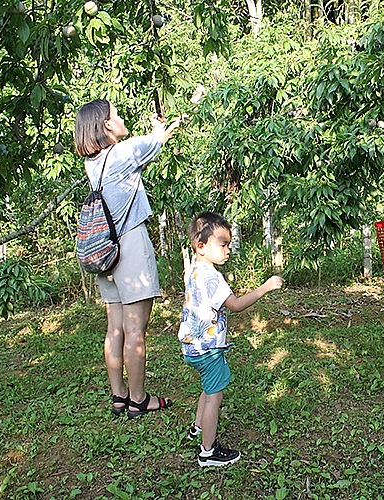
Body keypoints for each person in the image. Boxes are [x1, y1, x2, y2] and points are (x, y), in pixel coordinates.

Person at [74, 99, 181, 418]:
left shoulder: (94, 163)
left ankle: (119, 396)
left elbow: (140, 158)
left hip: (104, 250)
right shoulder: (122, 153)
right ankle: (138, 399)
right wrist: (161, 128)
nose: (121, 119)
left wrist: (155, 134)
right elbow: (156, 141)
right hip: (130, 244)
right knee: (136, 330)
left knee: (115, 328)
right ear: (106, 125)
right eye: (116, 116)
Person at [179, 212, 284, 467]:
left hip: (192, 347)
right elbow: (235, 305)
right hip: (209, 350)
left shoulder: (195, 268)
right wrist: (265, 287)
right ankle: (208, 451)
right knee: (214, 395)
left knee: (207, 386)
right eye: (223, 244)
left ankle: (197, 426)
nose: (228, 250)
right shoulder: (213, 277)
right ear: (201, 246)